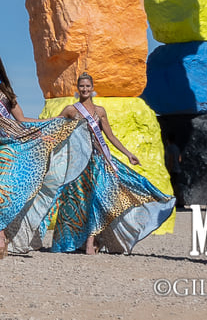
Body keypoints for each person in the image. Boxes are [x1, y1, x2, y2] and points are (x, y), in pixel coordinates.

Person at [0, 50, 86, 259]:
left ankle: (0, 237)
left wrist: (56, 121)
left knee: (2, 191)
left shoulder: (6, 92)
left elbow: (21, 120)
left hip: (7, 147)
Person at [47, 74, 175, 254]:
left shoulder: (100, 111)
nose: (85, 89)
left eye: (88, 86)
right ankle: (74, 240)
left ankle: (91, 240)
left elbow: (110, 136)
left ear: (92, 88)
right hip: (78, 164)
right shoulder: (70, 110)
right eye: (82, 86)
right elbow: (54, 127)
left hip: (97, 160)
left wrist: (128, 154)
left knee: (96, 198)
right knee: (75, 201)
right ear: (78, 88)